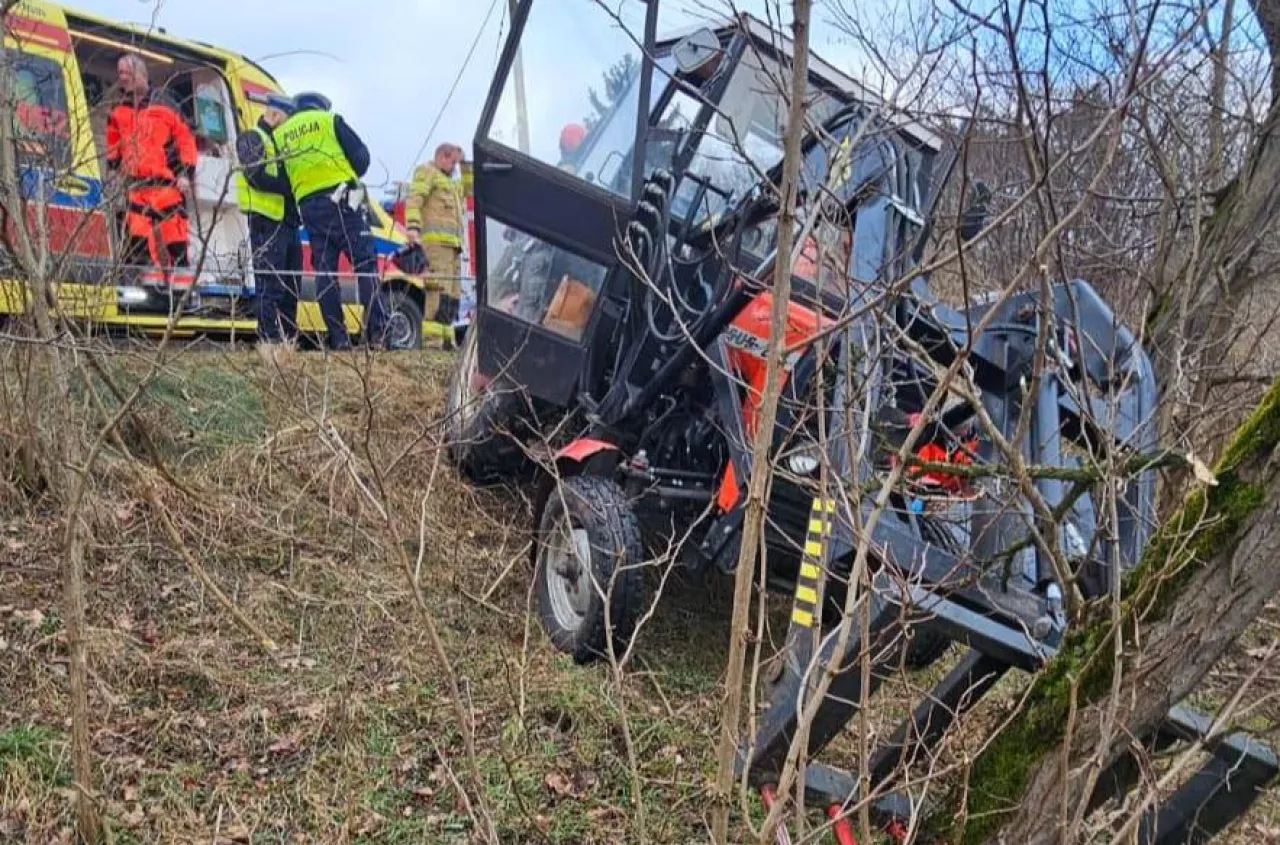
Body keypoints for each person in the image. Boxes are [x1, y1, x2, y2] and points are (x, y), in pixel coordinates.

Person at [274, 91, 385, 349]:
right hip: (345, 199)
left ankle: (339, 339)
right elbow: (361, 158)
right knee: (365, 264)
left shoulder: (281, 135)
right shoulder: (329, 120)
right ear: (321, 106)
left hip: (309, 206)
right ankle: (378, 335)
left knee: (325, 270)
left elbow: (281, 176)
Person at [106, 53, 197, 275]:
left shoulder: (166, 105)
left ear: (142, 74)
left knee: (175, 245)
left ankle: (179, 298)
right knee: (136, 248)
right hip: (135, 190)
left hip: (167, 188)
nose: (123, 78)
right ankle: (141, 297)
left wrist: (185, 174)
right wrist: (113, 174)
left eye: (126, 73)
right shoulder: (117, 111)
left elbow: (186, 141)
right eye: (120, 74)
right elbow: (112, 146)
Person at [236, 93, 301, 346]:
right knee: (270, 283)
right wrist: (290, 186)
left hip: (287, 222)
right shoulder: (252, 137)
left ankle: (288, 340)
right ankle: (269, 339)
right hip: (266, 221)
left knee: (290, 286)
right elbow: (256, 176)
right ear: (274, 114)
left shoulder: (279, 143)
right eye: (286, 121)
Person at [404, 142, 465, 347]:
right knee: (437, 293)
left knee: (452, 296)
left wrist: (465, 161)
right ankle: (432, 343)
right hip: (436, 247)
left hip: (453, 248)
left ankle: (447, 341)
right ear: (442, 157)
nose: (455, 168)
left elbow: (471, 187)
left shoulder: (451, 183)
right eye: (453, 162)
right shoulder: (427, 172)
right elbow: (414, 201)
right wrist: (412, 228)